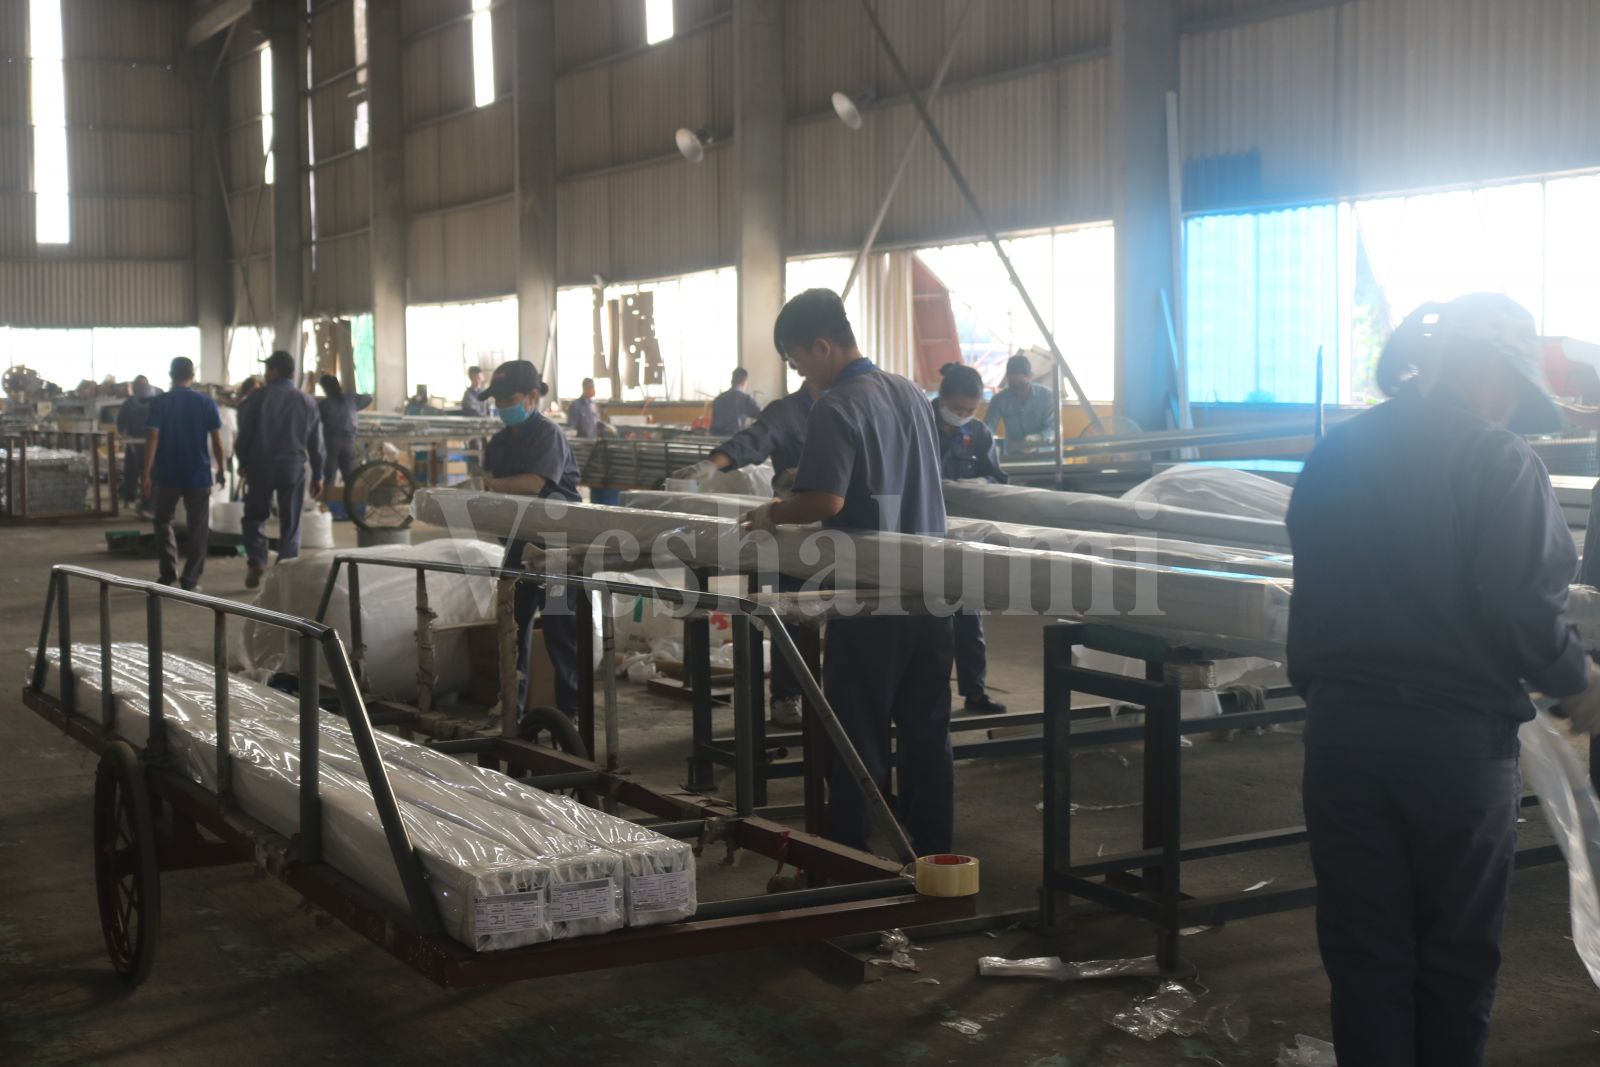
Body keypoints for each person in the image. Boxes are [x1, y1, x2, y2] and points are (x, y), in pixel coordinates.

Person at [1286, 292, 1600, 1067]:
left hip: (1341, 739)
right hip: (1454, 747)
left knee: (1364, 951)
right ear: (1486, 369)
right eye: (1511, 388)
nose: (1511, 408)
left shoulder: (1338, 450)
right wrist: (1578, 682)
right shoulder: (1497, 459)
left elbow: (1311, 588)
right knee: (1455, 952)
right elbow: (1525, 606)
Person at [743, 288, 954, 857]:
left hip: (869, 598)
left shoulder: (836, 406)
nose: (801, 375)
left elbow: (826, 501)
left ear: (821, 346)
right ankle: (936, 853)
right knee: (926, 729)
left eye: (797, 362)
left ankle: (850, 855)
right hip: (933, 589)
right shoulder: (911, 392)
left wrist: (772, 513)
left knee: (856, 731)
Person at [672, 379, 823, 729]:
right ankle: (786, 695)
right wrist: (713, 464)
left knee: (852, 615)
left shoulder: (853, 402)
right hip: (795, 525)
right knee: (793, 611)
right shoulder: (789, 411)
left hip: (846, 524)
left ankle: (836, 699)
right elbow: (754, 439)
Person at [478, 360, 583, 719]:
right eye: (498, 401)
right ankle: (512, 703)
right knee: (512, 622)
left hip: (556, 544)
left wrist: (489, 486)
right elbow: (492, 487)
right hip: (518, 541)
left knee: (559, 629)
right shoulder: (499, 442)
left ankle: (571, 711)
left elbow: (535, 483)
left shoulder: (547, 435)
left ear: (532, 397)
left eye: (509, 399)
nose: (502, 407)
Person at [932, 362, 1008, 715]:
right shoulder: (916, 423)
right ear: (942, 397)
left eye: (969, 410)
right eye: (956, 408)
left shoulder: (978, 433)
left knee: (968, 617)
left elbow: (998, 480)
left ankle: (975, 693)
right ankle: (929, 697)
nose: (962, 415)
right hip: (922, 533)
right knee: (927, 621)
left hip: (964, 537)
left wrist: (980, 485)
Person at [236, 351, 324, 589]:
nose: (265, 375)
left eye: (267, 370)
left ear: (274, 372)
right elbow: (316, 443)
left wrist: (243, 462)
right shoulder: (307, 401)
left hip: (261, 465)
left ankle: (257, 559)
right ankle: (285, 569)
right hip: (292, 467)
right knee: (291, 520)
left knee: (254, 516)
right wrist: (318, 474)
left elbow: (244, 434)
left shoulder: (257, 398)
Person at [141, 358, 224, 591]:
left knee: (162, 521)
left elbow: (153, 438)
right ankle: (190, 580)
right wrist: (222, 469)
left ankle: (168, 572)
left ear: (170, 375)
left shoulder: (160, 402)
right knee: (198, 527)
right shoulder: (206, 402)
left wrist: (146, 474)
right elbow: (217, 441)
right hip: (198, 474)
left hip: (167, 474)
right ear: (193, 375)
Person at [983, 352, 1056, 452]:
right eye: (1012, 384)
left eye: (1021, 384)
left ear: (1030, 376)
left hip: (1045, 455)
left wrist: (1036, 439)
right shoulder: (999, 399)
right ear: (1007, 378)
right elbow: (988, 428)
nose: (1017, 389)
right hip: (1014, 455)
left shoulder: (1047, 397)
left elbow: (1053, 429)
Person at [316, 374, 373, 497]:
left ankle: (328, 501)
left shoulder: (324, 405)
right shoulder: (351, 399)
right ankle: (352, 502)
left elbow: (313, 420)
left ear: (325, 389)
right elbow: (369, 398)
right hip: (348, 442)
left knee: (329, 475)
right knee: (351, 476)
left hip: (331, 443)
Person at [115, 375, 160, 515]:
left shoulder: (156, 402)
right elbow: (121, 423)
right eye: (139, 385)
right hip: (134, 444)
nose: (141, 388)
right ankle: (130, 497)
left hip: (151, 445)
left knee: (149, 474)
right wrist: (125, 435)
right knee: (131, 473)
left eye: (143, 385)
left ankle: (148, 505)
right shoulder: (129, 403)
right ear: (134, 387)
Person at [709, 367, 762, 437]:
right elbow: (762, 415)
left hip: (716, 439)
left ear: (732, 381)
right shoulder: (745, 398)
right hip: (734, 439)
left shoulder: (718, 398)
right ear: (744, 382)